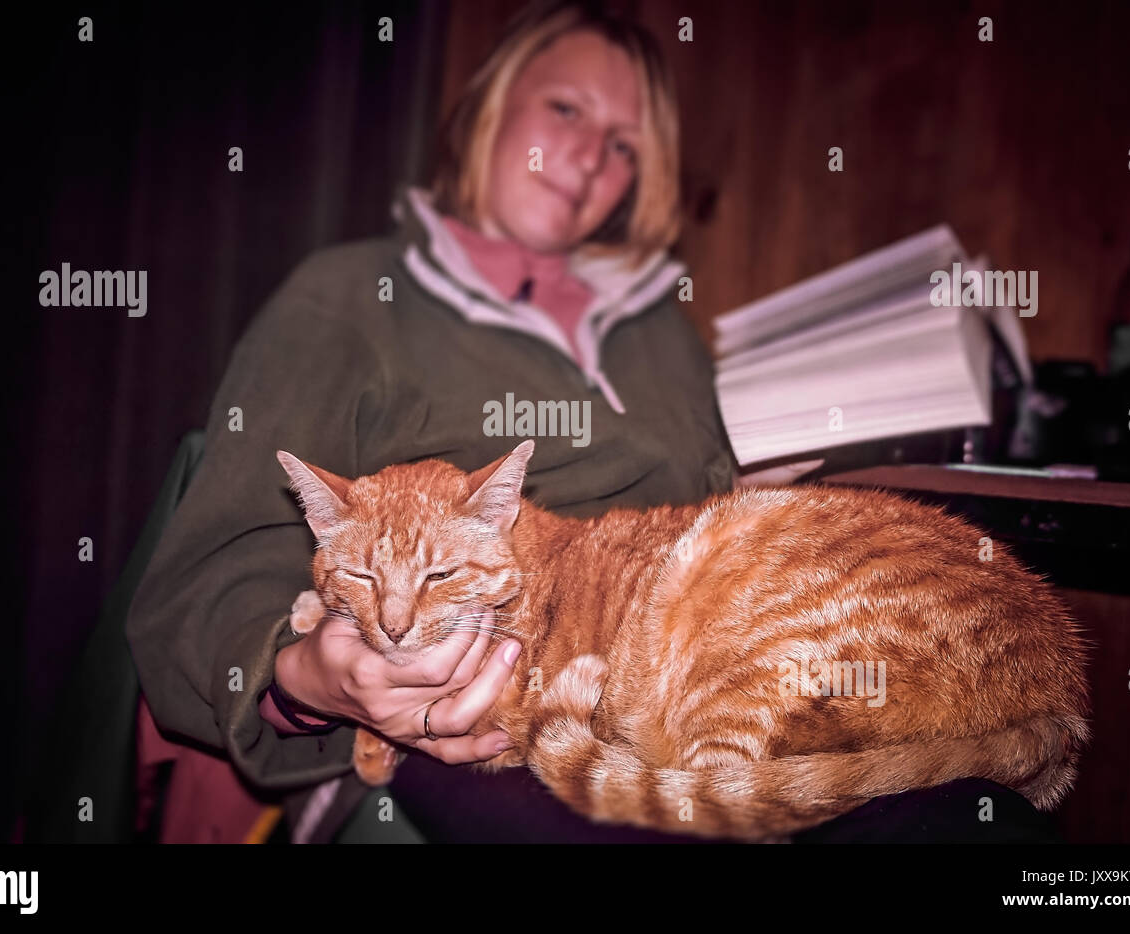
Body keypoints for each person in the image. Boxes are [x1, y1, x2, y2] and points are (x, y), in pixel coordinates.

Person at [126, 0, 817, 844]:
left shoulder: (665, 334)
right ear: (493, 101)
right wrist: (307, 680)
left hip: (695, 668)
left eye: (625, 145)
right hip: (475, 710)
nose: (590, 157)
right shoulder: (349, 296)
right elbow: (213, 572)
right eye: (567, 109)